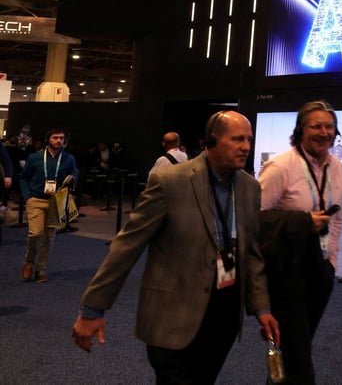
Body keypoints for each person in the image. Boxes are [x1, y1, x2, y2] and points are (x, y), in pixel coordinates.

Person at [71, 110, 281, 383]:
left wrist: (261, 307)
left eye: (249, 140)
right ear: (212, 140)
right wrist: (93, 309)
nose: (246, 147)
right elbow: (127, 246)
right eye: (238, 139)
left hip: (223, 316)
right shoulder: (170, 182)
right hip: (173, 317)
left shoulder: (249, 187)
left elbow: (251, 252)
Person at [258, 100, 342, 383]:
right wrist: (302, 222)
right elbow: (254, 219)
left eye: (329, 126)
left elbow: (337, 219)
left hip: (320, 273)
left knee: (297, 346)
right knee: (298, 356)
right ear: (300, 130)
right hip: (287, 273)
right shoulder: (280, 167)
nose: (324, 132)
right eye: (316, 126)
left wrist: (331, 262)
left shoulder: (336, 167)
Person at [20, 128, 78, 283]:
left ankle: (41, 270)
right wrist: (27, 198)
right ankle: (29, 262)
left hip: (56, 201)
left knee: (49, 238)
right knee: (36, 233)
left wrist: (73, 180)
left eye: (61, 138)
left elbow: (75, 174)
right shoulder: (35, 157)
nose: (58, 141)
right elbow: (24, 178)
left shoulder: (68, 158)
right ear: (48, 139)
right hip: (36, 200)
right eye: (55, 138)